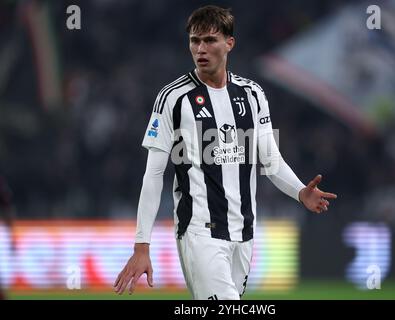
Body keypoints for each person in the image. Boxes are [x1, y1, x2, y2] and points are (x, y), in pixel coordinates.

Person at [114, 5, 337, 300]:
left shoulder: (252, 94)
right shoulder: (173, 98)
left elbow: (270, 161)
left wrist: (300, 192)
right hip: (200, 232)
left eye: (209, 40)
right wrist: (142, 246)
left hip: (244, 233)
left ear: (229, 43)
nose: (200, 48)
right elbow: (153, 174)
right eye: (195, 41)